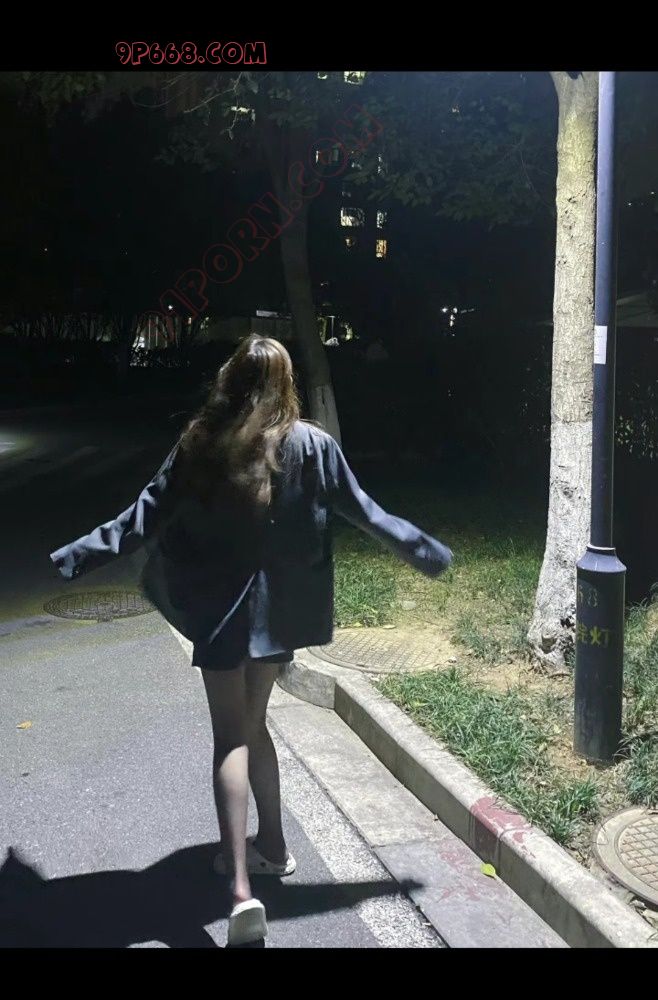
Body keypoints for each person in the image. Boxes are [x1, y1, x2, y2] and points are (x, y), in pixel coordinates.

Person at [50, 335, 454, 947]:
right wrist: (423, 550)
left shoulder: (201, 444)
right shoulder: (311, 446)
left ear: (231, 380)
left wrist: (74, 556)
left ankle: (241, 891)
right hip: (275, 617)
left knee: (231, 737)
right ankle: (274, 845)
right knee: (254, 724)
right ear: (287, 386)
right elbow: (365, 510)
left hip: (218, 614)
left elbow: (142, 517)